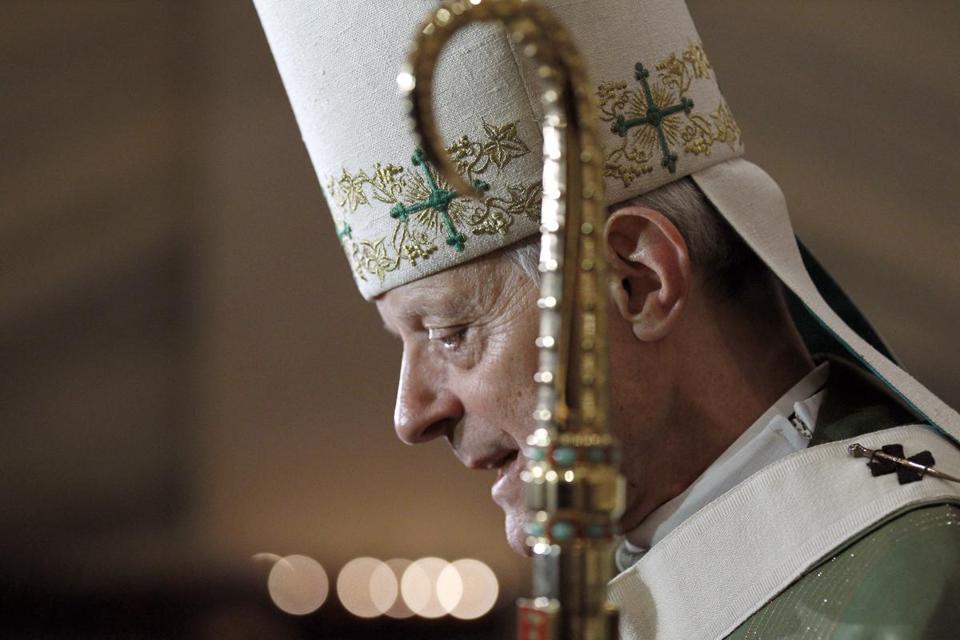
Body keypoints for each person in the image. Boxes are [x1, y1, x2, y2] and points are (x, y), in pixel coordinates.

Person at [254, 0, 960, 637]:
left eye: (447, 333)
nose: (411, 415)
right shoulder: (615, 592)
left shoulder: (922, 590)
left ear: (637, 281)